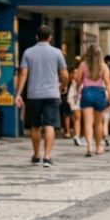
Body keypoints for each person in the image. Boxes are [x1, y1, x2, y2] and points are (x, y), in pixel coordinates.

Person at [15, 25, 68, 167]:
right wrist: (64, 85)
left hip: (34, 95)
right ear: (50, 37)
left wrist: (18, 94)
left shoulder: (28, 52)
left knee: (34, 126)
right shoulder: (57, 53)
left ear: (36, 37)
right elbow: (64, 74)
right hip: (52, 94)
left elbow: (23, 74)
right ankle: (47, 157)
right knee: (50, 124)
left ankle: (36, 154)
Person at [75, 44, 110, 156]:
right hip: (99, 93)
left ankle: (89, 147)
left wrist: (77, 91)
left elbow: (78, 81)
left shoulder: (82, 65)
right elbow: (107, 82)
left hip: (86, 93)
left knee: (87, 122)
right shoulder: (104, 66)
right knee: (98, 123)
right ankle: (99, 147)